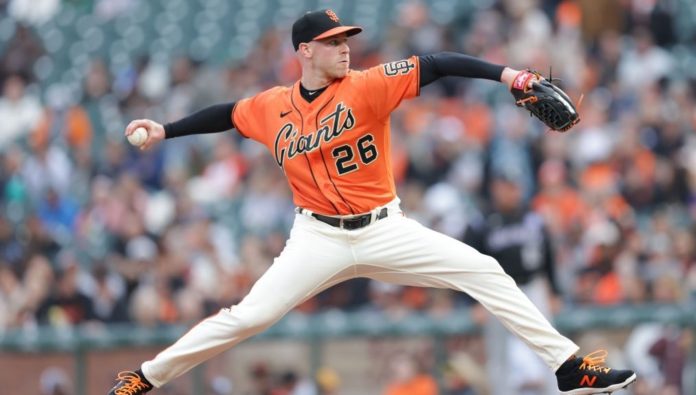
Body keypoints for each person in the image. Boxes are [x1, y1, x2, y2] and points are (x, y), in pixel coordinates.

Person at [108, 9, 636, 395]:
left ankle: (568, 366)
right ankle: (146, 377)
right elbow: (228, 113)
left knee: (484, 270)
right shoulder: (271, 107)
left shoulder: (367, 85)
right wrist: (167, 129)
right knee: (249, 317)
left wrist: (512, 76)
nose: (346, 48)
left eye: (347, 40)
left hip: (385, 228)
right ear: (305, 52)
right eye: (333, 41)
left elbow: (438, 63)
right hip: (315, 237)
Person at [464, 171, 560, 395]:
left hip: (532, 286)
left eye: (513, 187)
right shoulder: (482, 221)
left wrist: (554, 291)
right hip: (497, 291)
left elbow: (548, 256)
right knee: (499, 353)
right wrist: (473, 301)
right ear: (495, 188)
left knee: (548, 345)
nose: (509, 192)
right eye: (505, 186)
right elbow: (466, 260)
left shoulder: (533, 218)